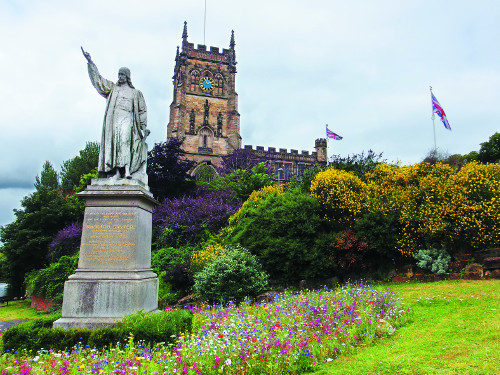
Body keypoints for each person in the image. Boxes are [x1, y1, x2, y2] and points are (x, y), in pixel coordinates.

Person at [81, 47, 150, 184]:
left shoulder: (136, 93)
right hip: (114, 121)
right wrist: (90, 62)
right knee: (115, 145)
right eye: (119, 74)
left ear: (127, 76)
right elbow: (99, 81)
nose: (120, 77)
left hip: (128, 120)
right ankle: (117, 172)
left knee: (125, 142)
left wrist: (143, 127)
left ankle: (127, 171)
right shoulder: (113, 89)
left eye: (122, 75)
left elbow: (142, 110)